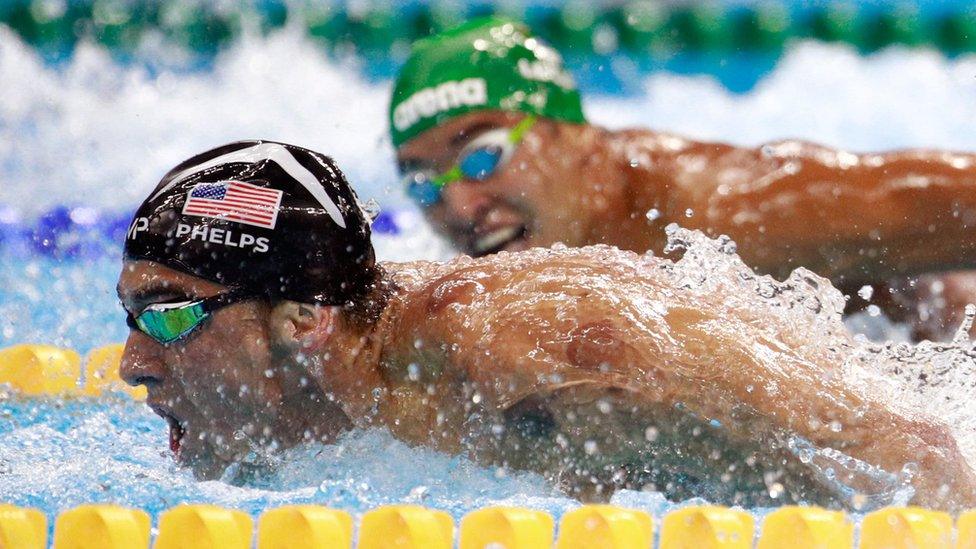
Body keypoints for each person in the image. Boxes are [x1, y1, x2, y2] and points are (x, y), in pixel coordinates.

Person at [118, 140, 975, 510]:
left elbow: (911, 447)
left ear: (303, 319)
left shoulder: (511, 343)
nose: (133, 364)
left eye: (170, 315)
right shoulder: (357, 369)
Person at [390, 17, 976, 340]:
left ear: (577, 138)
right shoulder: (460, 287)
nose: (459, 204)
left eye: (482, 157)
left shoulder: (721, 211)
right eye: (423, 183)